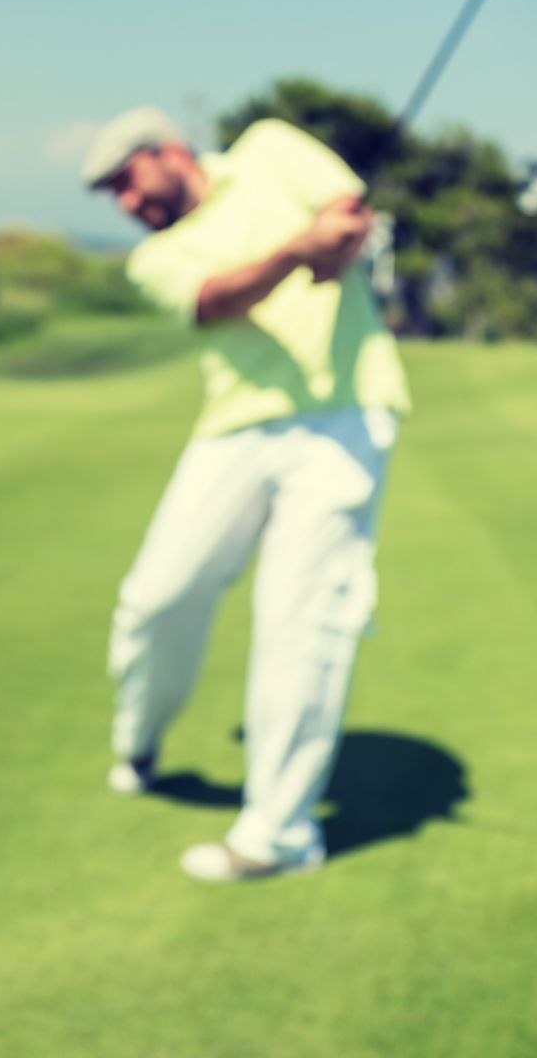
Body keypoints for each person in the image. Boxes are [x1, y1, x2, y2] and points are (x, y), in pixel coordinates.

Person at [80, 107, 410, 882]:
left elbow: (344, 212)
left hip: (347, 413)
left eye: (127, 180)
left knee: (302, 618)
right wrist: (299, 249)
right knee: (158, 599)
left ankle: (279, 834)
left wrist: (339, 236)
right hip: (235, 425)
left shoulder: (270, 147)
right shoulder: (154, 259)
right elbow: (216, 298)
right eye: (112, 196)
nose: (126, 203)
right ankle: (142, 733)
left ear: (168, 153)